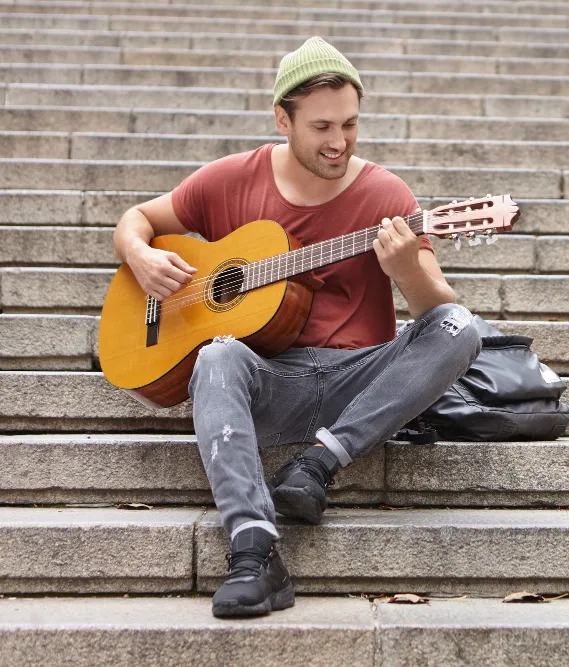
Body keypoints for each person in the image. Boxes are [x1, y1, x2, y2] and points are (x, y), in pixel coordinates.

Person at [110, 37, 482, 618]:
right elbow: (138, 219)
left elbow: (436, 310)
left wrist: (408, 268)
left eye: (351, 125)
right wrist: (140, 254)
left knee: (460, 326)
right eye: (322, 127)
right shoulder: (232, 179)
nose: (339, 143)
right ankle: (254, 551)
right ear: (282, 119)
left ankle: (319, 462)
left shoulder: (387, 195)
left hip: (358, 381)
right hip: (269, 380)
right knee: (216, 356)